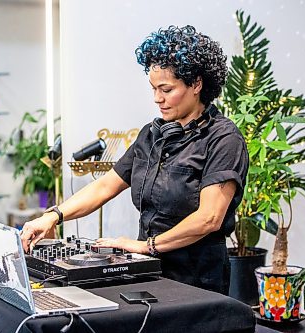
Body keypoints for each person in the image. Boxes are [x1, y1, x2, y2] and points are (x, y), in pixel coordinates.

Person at [21, 25, 249, 295]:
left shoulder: (224, 139)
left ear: (197, 84)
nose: (157, 99)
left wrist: (146, 246)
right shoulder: (152, 136)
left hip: (197, 280)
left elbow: (209, 218)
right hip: (150, 270)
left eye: (166, 89)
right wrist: (53, 216)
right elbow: (106, 186)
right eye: (153, 89)